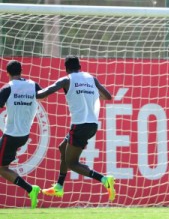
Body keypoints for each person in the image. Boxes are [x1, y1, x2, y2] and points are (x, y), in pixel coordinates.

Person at [37, 55, 115, 201]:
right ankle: (59, 186)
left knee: (72, 163)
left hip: (79, 125)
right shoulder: (91, 78)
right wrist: (90, 95)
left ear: (66, 68)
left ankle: (104, 180)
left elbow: (44, 93)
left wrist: (28, 94)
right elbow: (108, 96)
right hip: (92, 124)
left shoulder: (67, 79)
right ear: (80, 66)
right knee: (63, 148)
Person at [0, 60, 42, 208]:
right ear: (22, 71)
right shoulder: (33, 85)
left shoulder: (7, 88)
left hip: (11, 135)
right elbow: (42, 95)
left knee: (1, 168)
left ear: (7, 73)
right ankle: (31, 189)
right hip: (24, 135)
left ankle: (31, 189)